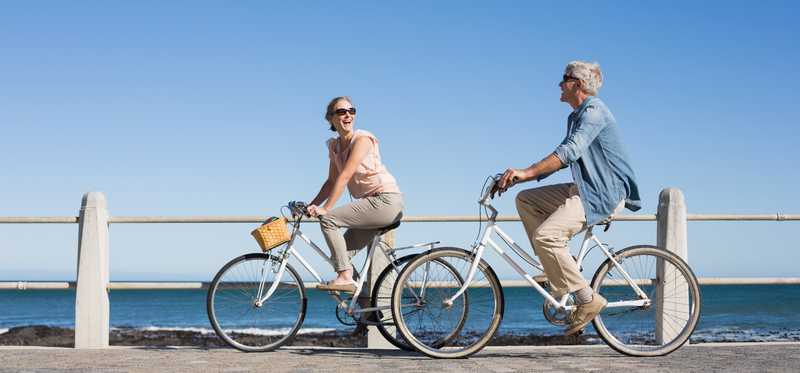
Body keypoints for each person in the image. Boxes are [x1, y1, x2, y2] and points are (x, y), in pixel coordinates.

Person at [496, 61, 641, 335]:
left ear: (577, 83)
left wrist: (526, 172)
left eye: (564, 79)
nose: (559, 84)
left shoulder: (595, 112)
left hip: (604, 193)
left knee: (546, 237)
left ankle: (588, 299)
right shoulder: (575, 116)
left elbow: (569, 153)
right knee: (526, 200)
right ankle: (558, 269)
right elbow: (565, 158)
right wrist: (521, 179)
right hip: (585, 189)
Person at [307, 96, 404, 293]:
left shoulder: (362, 139)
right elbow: (331, 182)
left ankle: (345, 277)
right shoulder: (334, 147)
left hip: (385, 201)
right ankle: (364, 313)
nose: (348, 115)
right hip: (371, 205)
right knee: (340, 257)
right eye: (342, 112)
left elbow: (345, 176)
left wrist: (325, 209)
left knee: (329, 221)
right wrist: (311, 205)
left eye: (352, 111)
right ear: (331, 119)